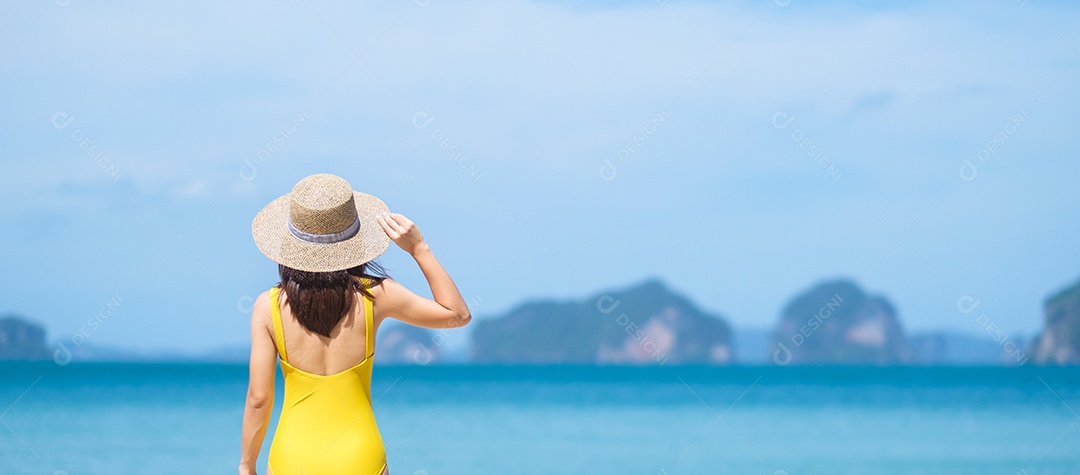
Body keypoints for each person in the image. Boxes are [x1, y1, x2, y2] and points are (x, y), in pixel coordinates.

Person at [239, 173, 471, 475]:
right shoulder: (376, 294)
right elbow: (457, 314)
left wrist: (247, 465)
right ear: (354, 240)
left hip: (292, 457)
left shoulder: (267, 307)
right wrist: (419, 249)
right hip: (360, 456)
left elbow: (259, 399)